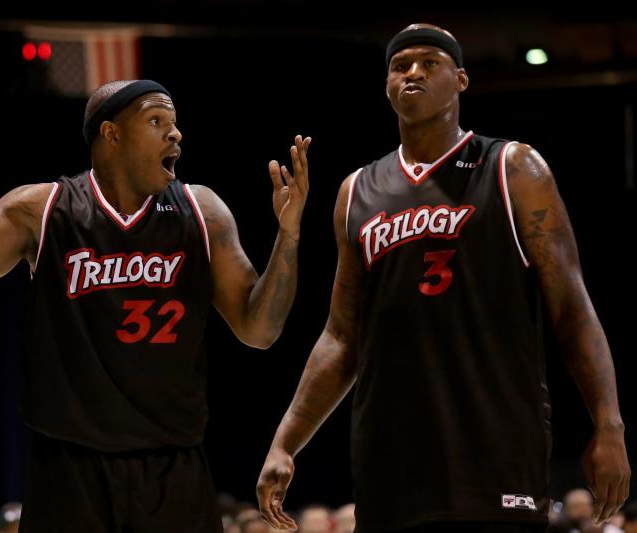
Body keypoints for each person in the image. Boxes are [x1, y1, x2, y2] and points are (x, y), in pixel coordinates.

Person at [0, 51, 311, 533]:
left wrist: (289, 237)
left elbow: (260, 331)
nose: (175, 134)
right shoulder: (44, 210)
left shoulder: (203, 211)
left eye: (175, 123)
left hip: (173, 467)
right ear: (111, 134)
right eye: (156, 121)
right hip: (69, 471)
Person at [256, 23, 630, 533]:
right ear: (387, 85)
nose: (413, 73)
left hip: (496, 449)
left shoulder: (514, 168)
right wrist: (285, 442)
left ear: (460, 80)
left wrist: (609, 424)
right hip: (390, 459)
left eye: (429, 63)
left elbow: (572, 308)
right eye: (400, 66)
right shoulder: (355, 191)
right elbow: (341, 337)